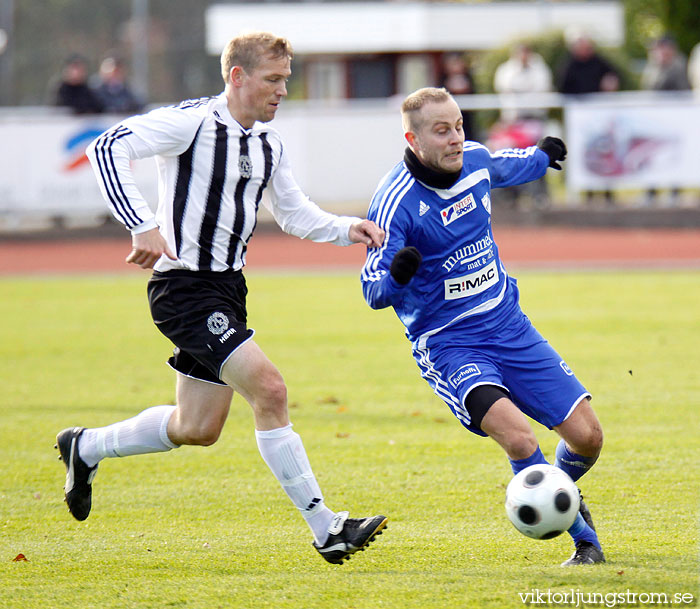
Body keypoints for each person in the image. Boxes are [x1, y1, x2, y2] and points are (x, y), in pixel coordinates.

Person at [55, 31, 387, 566]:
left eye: (286, 79)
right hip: (184, 289)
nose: (282, 91)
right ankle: (327, 528)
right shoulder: (193, 123)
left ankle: (85, 446)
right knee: (271, 390)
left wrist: (349, 228)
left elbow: (295, 213)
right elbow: (107, 146)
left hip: (228, 291)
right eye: (273, 80)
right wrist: (141, 225)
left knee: (197, 428)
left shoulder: (269, 144)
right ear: (237, 77)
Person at [360, 87, 605, 567]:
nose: (455, 138)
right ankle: (582, 536)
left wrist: (540, 157)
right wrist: (397, 275)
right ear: (412, 138)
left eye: (459, 126)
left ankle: (552, 486)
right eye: (441, 130)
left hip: (507, 324)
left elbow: (502, 165)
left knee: (588, 437)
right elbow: (372, 290)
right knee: (519, 439)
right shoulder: (395, 203)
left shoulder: (471, 159)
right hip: (450, 345)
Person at [557, 31, 620, 207]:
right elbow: (562, 88)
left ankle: (608, 192)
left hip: (601, 117)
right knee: (584, 155)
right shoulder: (569, 65)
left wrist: (611, 80)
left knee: (606, 152)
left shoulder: (599, 62)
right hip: (581, 121)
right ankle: (588, 193)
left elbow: (615, 74)